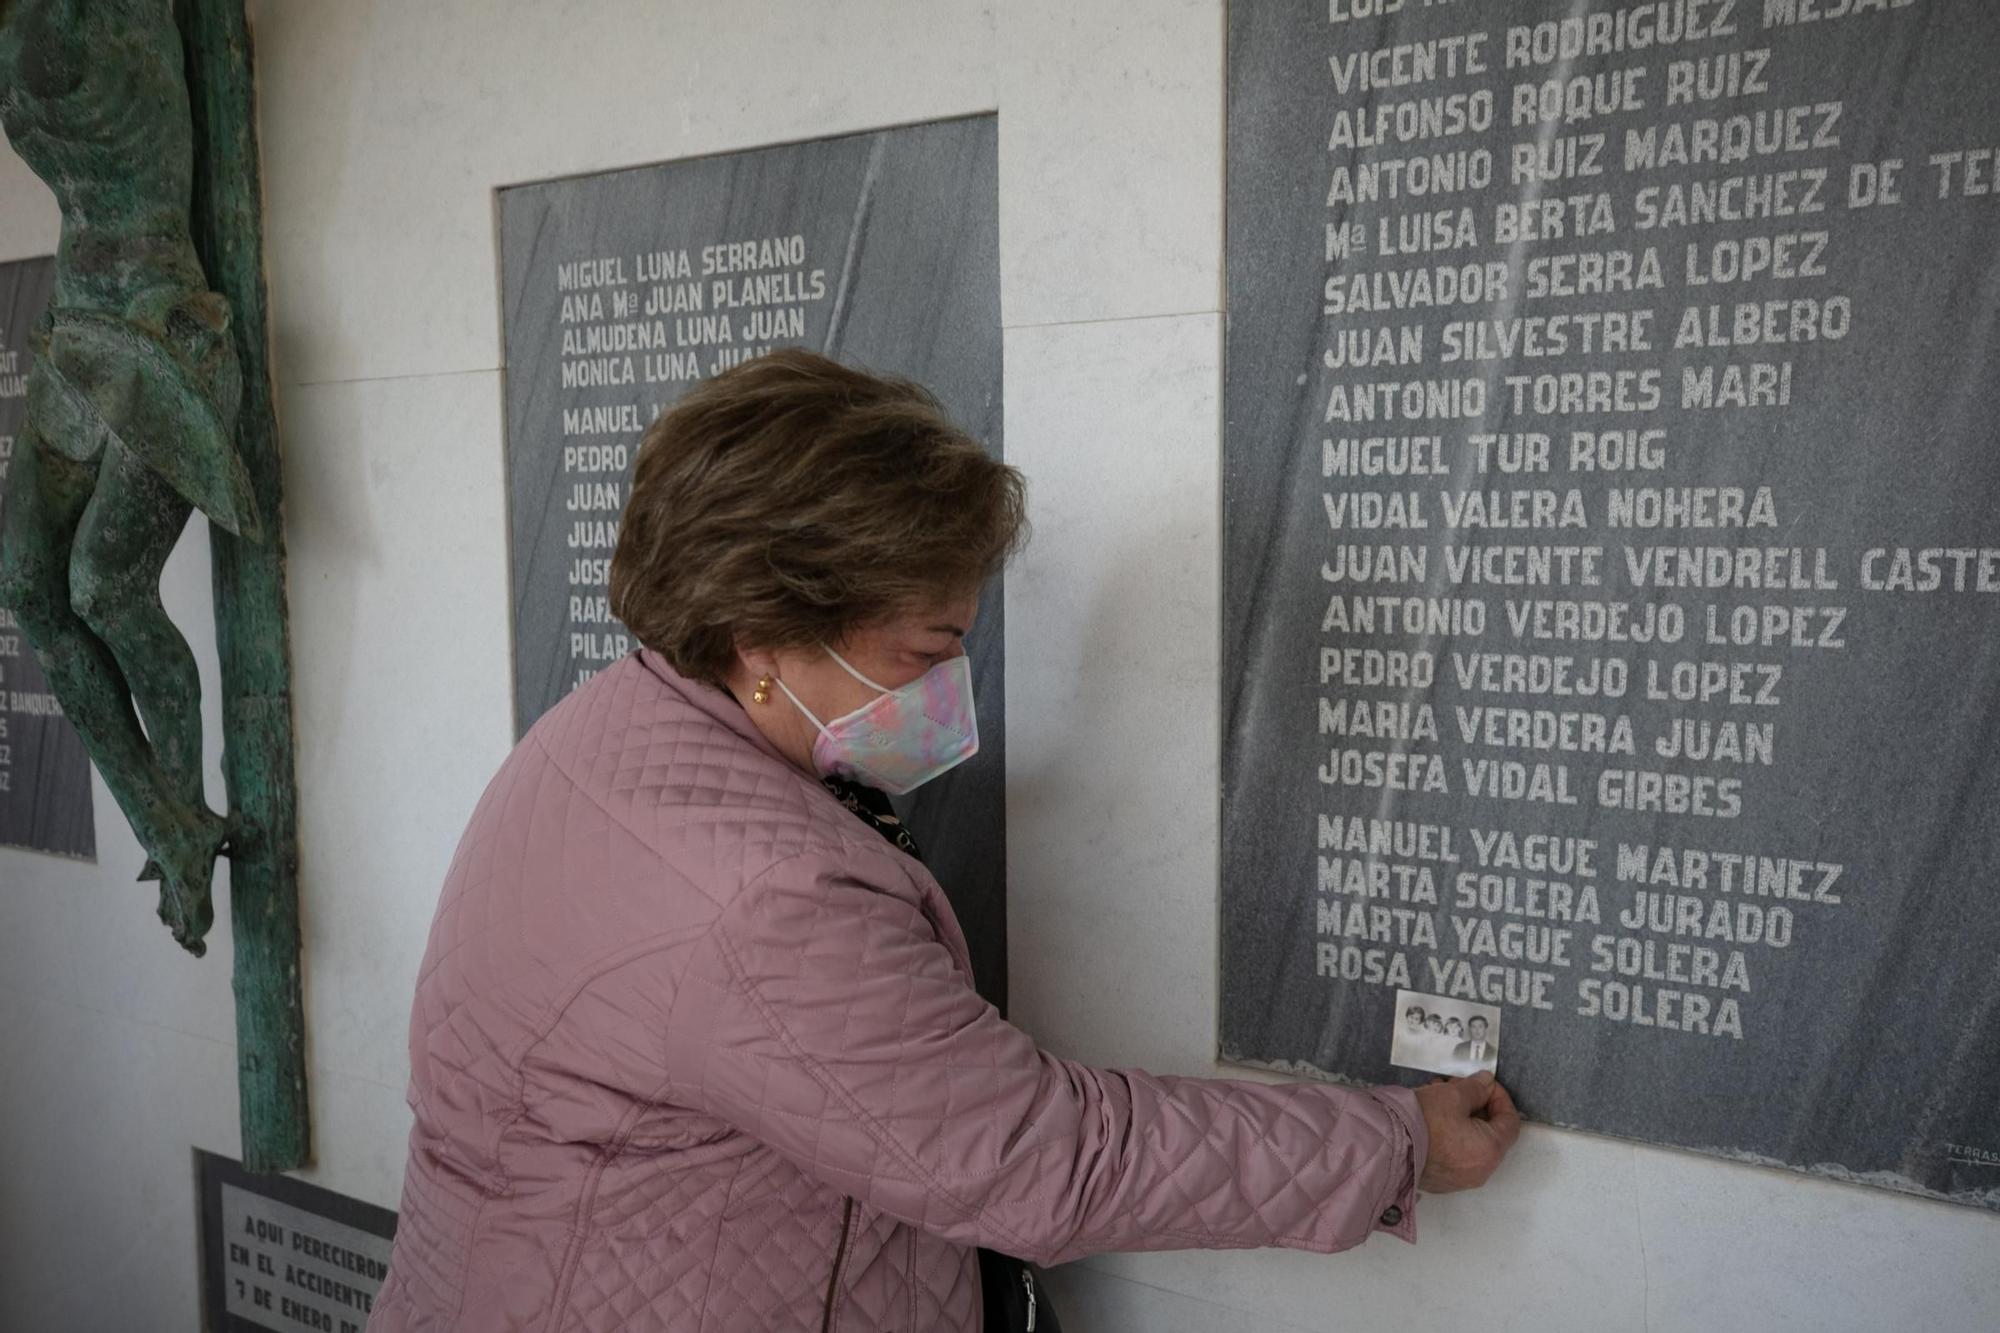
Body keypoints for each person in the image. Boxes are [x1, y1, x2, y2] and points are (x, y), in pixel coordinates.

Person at [368, 350, 1519, 1332]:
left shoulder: (604, 732)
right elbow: (1036, 1159)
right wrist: (1389, 1143)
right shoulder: (767, 896)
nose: (950, 690)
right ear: (764, 631)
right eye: (924, 652)